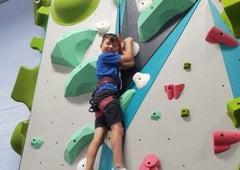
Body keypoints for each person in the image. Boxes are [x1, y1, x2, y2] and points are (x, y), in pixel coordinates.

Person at [86, 33, 135, 170]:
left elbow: (130, 63)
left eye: (114, 45)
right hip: (107, 94)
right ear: (101, 45)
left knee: (99, 137)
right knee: (117, 128)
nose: (111, 46)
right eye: (108, 43)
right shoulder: (105, 56)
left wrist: (121, 50)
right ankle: (118, 166)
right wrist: (128, 42)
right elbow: (130, 57)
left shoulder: (109, 62)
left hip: (99, 98)